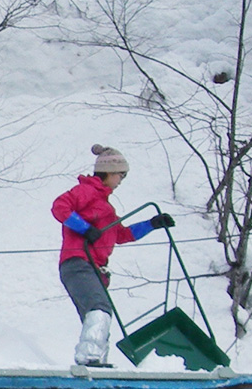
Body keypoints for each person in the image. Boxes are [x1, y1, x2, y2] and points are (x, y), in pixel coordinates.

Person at [51, 144, 175, 367]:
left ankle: (97, 361)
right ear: (108, 172)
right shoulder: (86, 191)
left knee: (98, 312)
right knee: (99, 308)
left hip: (93, 267)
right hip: (78, 262)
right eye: (120, 175)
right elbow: (60, 207)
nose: (121, 181)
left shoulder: (105, 207)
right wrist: (84, 228)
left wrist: (152, 224)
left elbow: (122, 234)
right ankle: (89, 357)